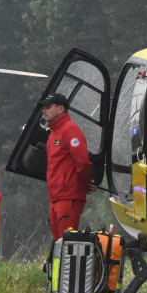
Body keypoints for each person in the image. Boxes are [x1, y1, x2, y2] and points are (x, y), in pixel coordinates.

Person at [39, 93, 94, 239]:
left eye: (48, 107)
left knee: (66, 242)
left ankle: (66, 263)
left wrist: (86, 184)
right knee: (57, 244)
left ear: (60, 109)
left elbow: (82, 162)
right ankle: (57, 263)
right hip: (56, 197)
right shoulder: (53, 134)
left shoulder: (70, 130)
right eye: (44, 108)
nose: (44, 111)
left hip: (68, 196)